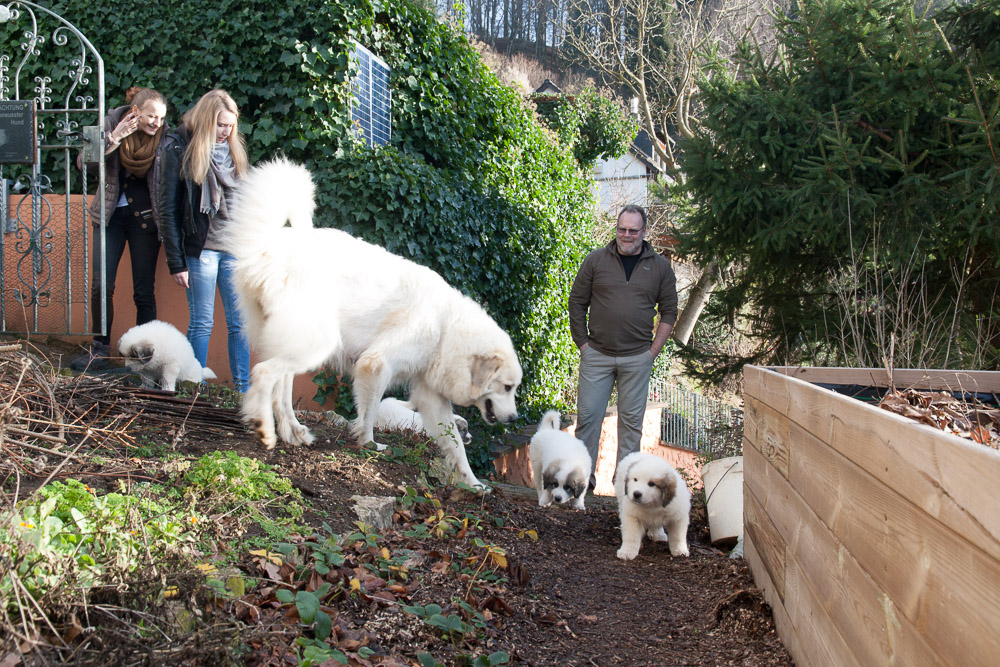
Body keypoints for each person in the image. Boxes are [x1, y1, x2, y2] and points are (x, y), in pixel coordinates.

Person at [567, 205, 678, 491]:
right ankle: (581, 487)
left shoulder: (661, 267)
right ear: (616, 228)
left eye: (632, 230)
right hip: (597, 357)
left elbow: (669, 313)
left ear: (644, 231)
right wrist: (583, 344)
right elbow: (577, 302)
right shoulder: (595, 260)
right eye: (621, 229)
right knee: (588, 419)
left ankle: (625, 491)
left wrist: (652, 352)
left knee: (631, 428)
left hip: (636, 359)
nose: (626, 235)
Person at [158, 89, 251, 391]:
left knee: (240, 324)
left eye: (230, 126)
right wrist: (176, 262)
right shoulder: (182, 150)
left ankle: (243, 390)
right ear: (206, 120)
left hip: (234, 249)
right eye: (220, 125)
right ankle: (194, 386)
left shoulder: (235, 155)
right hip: (202, 250)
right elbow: (168, 208)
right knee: (202, 322)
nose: (226, 132)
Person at [72, 87, 169, 371]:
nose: (157, 123)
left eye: (161, 118)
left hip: (145, 221)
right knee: (102, 285)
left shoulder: (165, 137)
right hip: (110, 216)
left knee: (143, 291)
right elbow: (83, 163)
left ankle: (144, 357)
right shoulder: (107, 124)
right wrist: (114, 138)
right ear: (136, 112)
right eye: (152, 116)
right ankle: (99, 349)